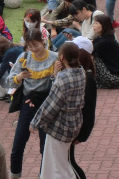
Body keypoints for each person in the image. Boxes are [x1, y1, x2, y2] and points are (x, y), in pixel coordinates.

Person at [7, 28, 58, 179]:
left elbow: (60, 85)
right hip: (27, 103)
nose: (33, 49)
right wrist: (20, 77)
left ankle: (43, 175)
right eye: (30, 46)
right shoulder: (24, 57)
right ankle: (15, 174)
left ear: (43, 41)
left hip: (46, 104)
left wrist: (55, 74)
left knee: (45, 146)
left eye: (36, 45)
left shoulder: (55, 58)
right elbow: (10, 81)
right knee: (18, 144)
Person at [30, 42, 86, 178]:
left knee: (58, 167)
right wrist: (56, 74)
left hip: (60, 128)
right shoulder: (81, 72)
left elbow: (51, 105)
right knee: (60, 163)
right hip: (74, 124)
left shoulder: (63, 79)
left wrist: (35, 122)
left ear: (61, 57)